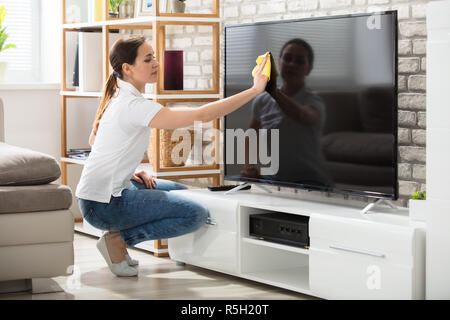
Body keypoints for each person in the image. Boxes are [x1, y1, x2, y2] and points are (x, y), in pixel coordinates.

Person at [75, 36, 269, 277]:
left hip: (101, 196)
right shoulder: (134, 105)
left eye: (154, 56)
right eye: (148, 59)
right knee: (194, 214)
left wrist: (128, 172)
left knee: (180, 192)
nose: (156, 63)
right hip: (104, 205)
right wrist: (254, 90)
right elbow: (203, 114)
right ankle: (119, 240)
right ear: (127, 68)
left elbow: (95, 142)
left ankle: (117, 238)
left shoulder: (120, 97)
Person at [241, 38, 332, 188]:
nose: (292, 64)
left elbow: (304, 117)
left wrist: (274, 92)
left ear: (308, 69)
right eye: (287, 58)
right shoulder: (261, 101)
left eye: (300, 61)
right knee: (233, 185)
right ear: (280, 61)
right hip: (272, 177)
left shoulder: (314, 101)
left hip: (310, 180)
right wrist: (249, 167)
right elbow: (252, 135)